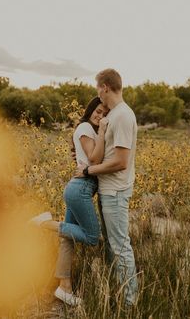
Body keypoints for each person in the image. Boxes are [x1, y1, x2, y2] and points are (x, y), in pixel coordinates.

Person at [29, 97, 109, 306]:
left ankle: (64, 287)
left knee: (68, 238)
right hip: (80, 189)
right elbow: (94, 159)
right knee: (92, 237)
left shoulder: (88, 129)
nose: (99, 116)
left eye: (104, 114)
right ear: (90, 109)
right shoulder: (85, 127)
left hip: (79, 188)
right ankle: (44, 223)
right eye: (97, 111)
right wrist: (102, 132)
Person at [75, 69, 138, 307]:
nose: (98, 95)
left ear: (105, 87)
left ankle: (129, 304)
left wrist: (88, 171)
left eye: (98, 89)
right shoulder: (116, 115)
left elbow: (121, 162)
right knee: (113, 246)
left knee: (120, 247)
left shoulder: (122, 116)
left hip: (115, 192)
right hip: (109, 191)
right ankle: (119, 294)